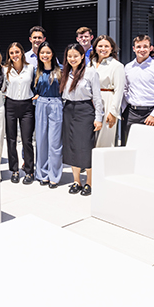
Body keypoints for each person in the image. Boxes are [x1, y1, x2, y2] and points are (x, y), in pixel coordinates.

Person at [61, 43, 103, 195]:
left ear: (82, 57)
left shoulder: (91, 72)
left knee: (85, 147)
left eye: (76, 56)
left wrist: (99, 117)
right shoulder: (64, 72)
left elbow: (97, 98)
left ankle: (89, 183)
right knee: (71, 146)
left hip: (85, 110)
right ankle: (76, 181)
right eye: (69, 56)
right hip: (68, 110)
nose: (72, 59)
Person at [122, 35, 154, 143]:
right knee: (131, 145)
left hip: (151, 113)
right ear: (134, 48)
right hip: (132, 113)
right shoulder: (128, 67)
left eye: (145, 46)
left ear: (151, 48)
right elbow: (125, 89)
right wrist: (121, 111)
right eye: (138, 47)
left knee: (152, 146)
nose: (142, 50)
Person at [31, 42, 64, 186]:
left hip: (56, 103)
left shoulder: (61, 70)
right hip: (41, 104)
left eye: (48, 52)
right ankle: (42, 173)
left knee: (55, 142)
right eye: (42, 53)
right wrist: (35, 96)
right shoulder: (36, 71)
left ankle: (54, 175)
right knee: (41, 140)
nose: (45, 55)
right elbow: (32, 88)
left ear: (53, 54)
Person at [3, 42, 35, 183]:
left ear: (22, 52)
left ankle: (29, 171)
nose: (15, 55)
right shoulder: (5, 70)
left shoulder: (30, 68)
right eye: (11, 53)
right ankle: (14, 170)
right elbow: (2, 87)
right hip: (10, 105)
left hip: (27, 106)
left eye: (17, 52)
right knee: (11, 140)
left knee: (27, 140)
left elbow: (35, 85)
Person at [91, 35, 125, 148]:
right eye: (100, 46)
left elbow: (119, 90)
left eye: (106, 46)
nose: (103, 49)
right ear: (95, 47)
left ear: (112, 48)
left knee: (104, 138)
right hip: (90, 101)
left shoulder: (117, 66)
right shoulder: (90, 63)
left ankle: (102, 164)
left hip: (107, 100)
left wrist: (113, 112)